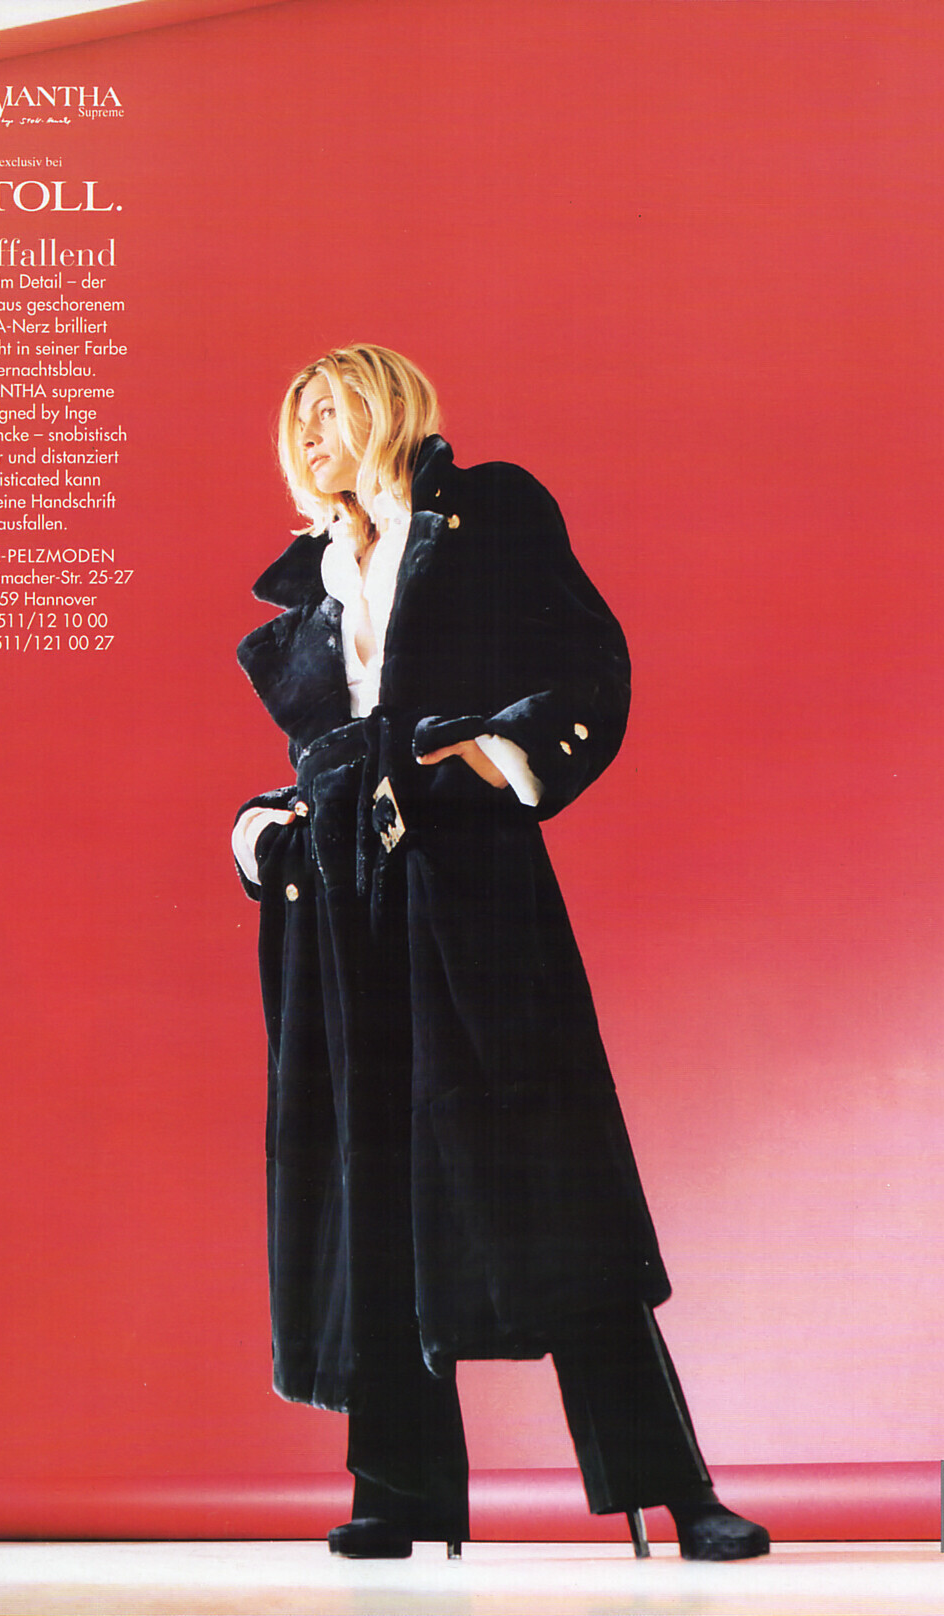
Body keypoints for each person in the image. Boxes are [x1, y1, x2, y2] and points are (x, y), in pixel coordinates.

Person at [232, 344, 769, 1563]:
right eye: (295, 419)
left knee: (552, 1173)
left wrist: (495, 753)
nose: (309, 433)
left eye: (331, 409)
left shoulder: (490, 511)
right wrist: (269, 825)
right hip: (339, 901)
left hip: (467, 878)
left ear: (387, 408)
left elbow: (589, 662)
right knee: (368, 1177)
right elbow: (335, 743)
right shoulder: (315, 578)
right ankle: (401, 1491)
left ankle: (673, 1489)